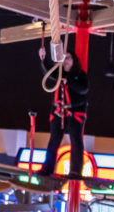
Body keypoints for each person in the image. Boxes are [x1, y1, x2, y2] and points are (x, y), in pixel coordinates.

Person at [36, 47, 89, 178]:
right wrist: (43, 58)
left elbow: (84, 89)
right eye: (64, 58)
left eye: (68, 58)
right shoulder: (58, 73)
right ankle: (47, 168)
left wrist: (69, 82)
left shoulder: (80, 75)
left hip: (74, 110)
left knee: (75, 139)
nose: (66, 61)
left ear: (73, 61)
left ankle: (76, 170)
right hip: (58, 111)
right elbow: (48, 72)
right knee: (54, 140)